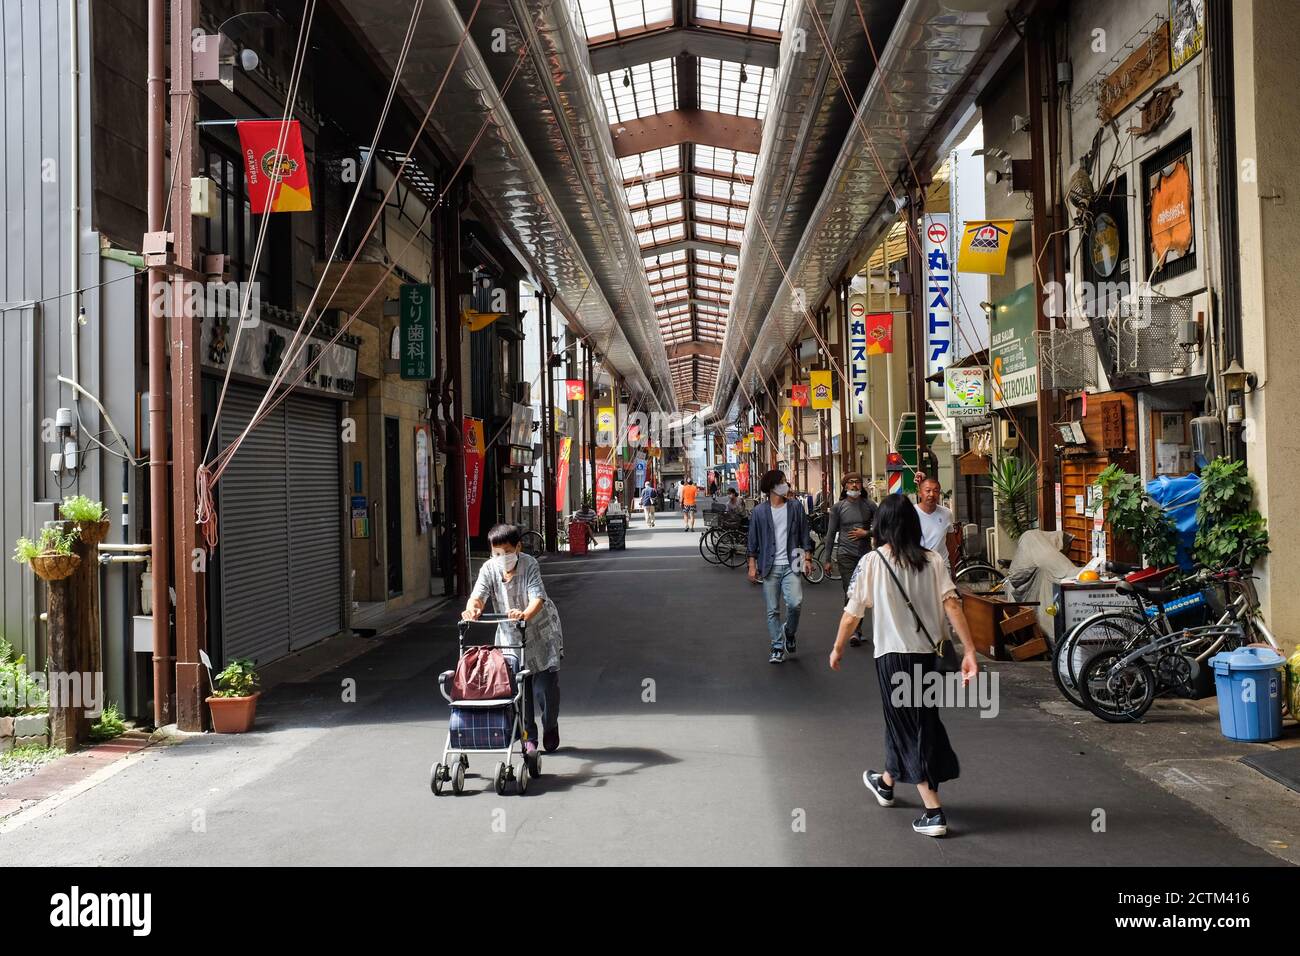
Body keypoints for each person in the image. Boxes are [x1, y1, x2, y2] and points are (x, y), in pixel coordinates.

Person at [828, 495, 978, 838]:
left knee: (911, 726)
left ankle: (934, 812)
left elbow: (853, 613)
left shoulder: (872, 562)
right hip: (930, 657)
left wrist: (837, 648)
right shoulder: (933, 561)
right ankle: (886, 782)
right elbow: (952, 605)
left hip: (894, 658)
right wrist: (969, 650)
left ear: (880, 526)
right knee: (914, 720)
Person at [462, 524, 565, 754]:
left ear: (518, 547)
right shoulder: (489, 569)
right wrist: (473, 609)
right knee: (519, 690)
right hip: (510, 636)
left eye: (506, 552)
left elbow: (537, 597)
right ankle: (529, 736)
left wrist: (525, 614)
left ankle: (551, 725)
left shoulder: (529, 564)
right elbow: (478, 596)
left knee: (545, 689)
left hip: (541, 632)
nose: (501, 557)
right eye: (496, 553)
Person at [747, 469, 815, 664]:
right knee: (772, 609)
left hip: (792, 562)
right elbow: (752, 542)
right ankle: (777, 646)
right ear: (772, 487)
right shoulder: (759, 511)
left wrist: (808, 558)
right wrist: (752, 566)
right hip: (769, 565)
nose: (787, 485)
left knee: (795, 603)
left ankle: (788, 631)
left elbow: (804, 534)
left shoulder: (794, 507)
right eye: (783, 482)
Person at [824, 473, 878, 648]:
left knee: (864, 593)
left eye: (857, 482)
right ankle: (855, 631)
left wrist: (866, 533)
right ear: (845, 486)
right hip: (845, 554)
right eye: (851, 482)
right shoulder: (837, 508)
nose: (855, 485)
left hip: (865, 555)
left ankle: (859, 628)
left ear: (862, 486)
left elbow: (880, 528)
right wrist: (827, 559)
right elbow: (831, 534)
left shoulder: (870, 506)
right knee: (851, 591)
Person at [915, 473, 954, 568]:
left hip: (942, 567)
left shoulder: (947, 513)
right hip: (920, 567)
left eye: (936, 491)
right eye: (928, 491)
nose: (932, 494)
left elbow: (950, 543)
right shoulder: (911, 513)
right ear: (920, 493)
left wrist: (953, 567)